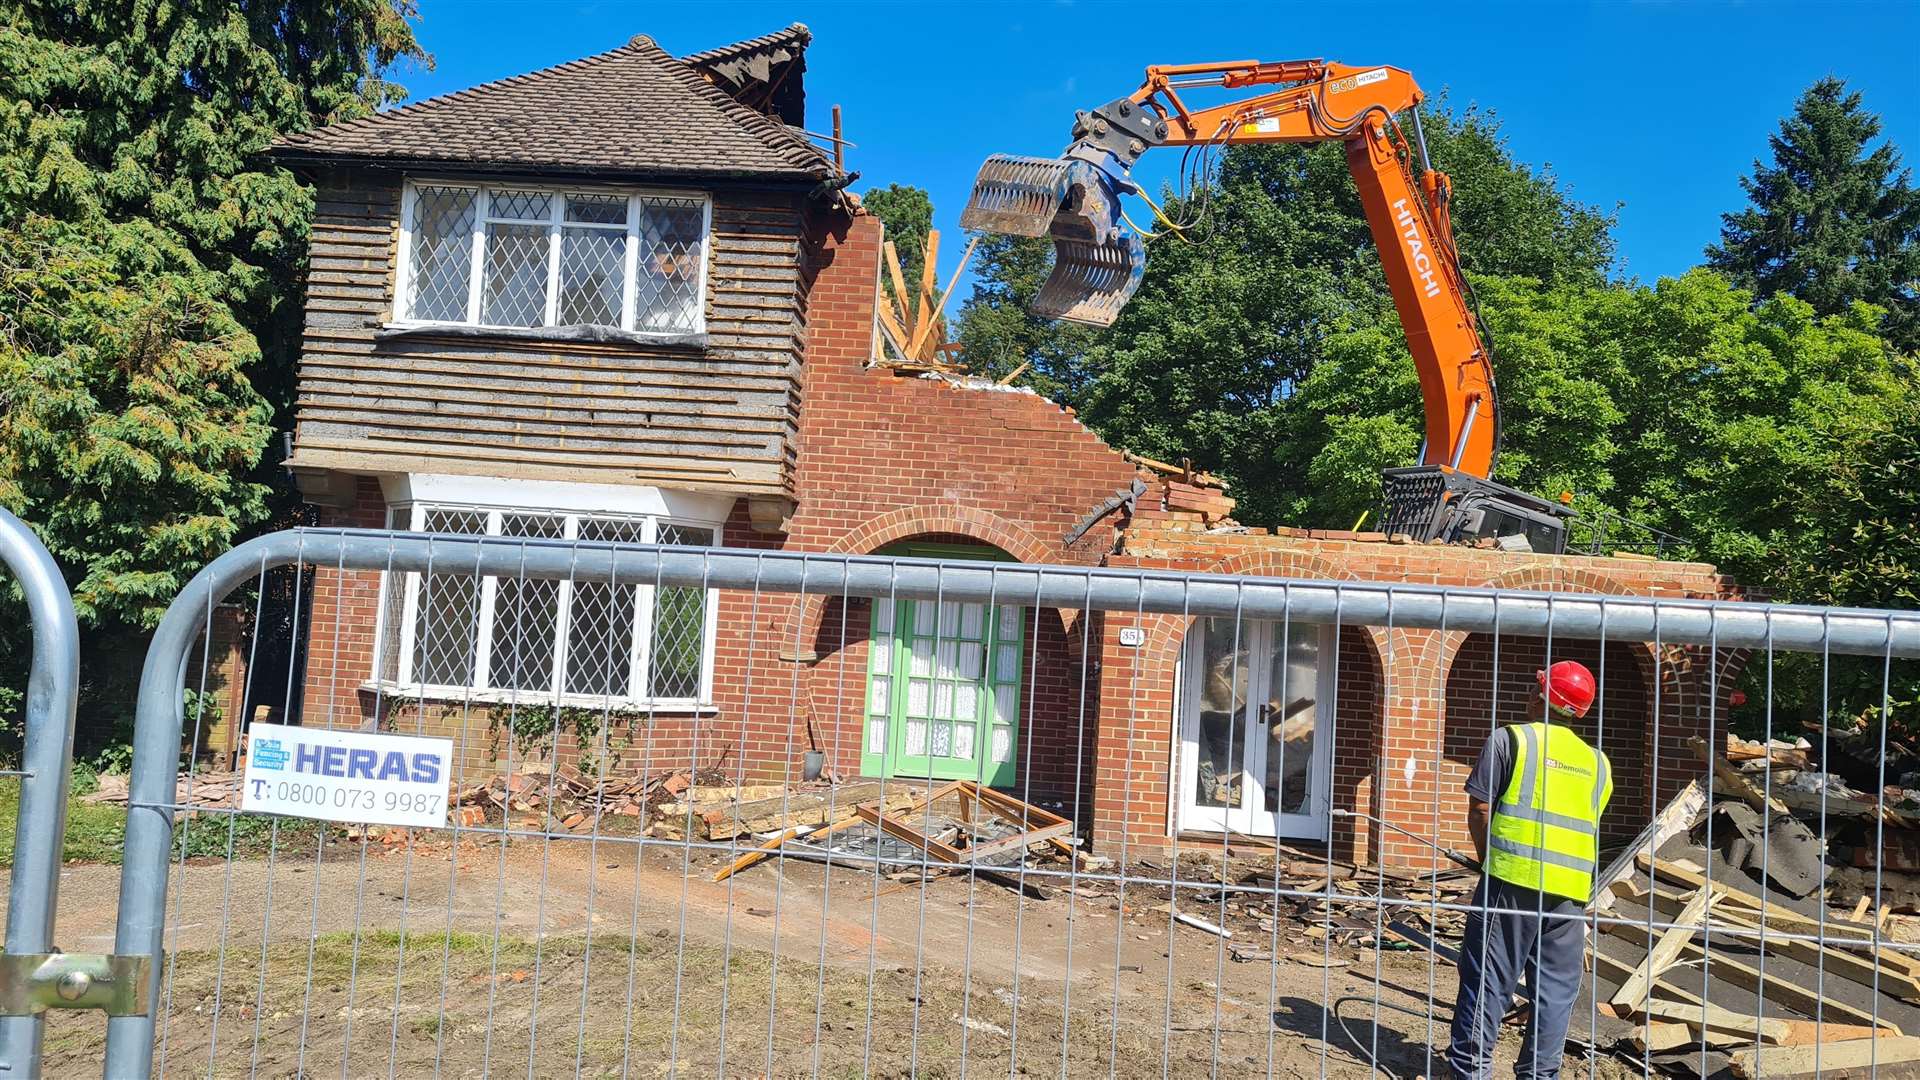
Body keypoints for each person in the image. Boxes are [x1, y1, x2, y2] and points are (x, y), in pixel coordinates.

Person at [1447, 660, 1613, 1080]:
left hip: (1512, 881)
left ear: (1541, 696)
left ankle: (1471, 1072)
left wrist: (1488, 859)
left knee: (1488, 981)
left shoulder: (1511, 740)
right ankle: (1539, 1075)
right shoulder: (1598, 763)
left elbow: (1481, 808)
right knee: (1555, 994)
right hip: (1571, 894)